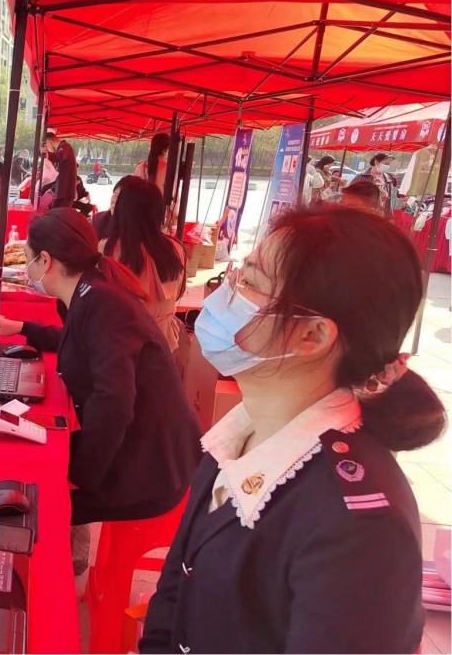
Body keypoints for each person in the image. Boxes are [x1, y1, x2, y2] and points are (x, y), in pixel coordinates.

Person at [142, 206, 445, 654]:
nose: (224, 297)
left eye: (250, 284)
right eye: (237, 275)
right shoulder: (239, 434)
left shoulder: (359, 528)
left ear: (313, 336)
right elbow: (175, 591)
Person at [0, 209, 201, 526]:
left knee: (33, 505)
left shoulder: (104, 303)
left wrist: (82, 475)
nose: (27, 269)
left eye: (28, 259)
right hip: (132, 444)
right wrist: (21, 327)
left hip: (150, 468)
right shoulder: (93, 291)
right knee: (23, 456)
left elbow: (113, 402)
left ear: (45, 260)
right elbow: (81, 341)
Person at [101, 176, 186, 350]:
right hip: (164, 339)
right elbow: (179, 293)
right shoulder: (177, 248)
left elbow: (97, 299)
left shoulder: (107, 248)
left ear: (122, 211)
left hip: (120, 339)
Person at [43, 131, 78, 209]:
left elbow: (59, 156)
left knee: (58, 214)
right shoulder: (64, 148)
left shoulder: (65, 148)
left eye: (47, 146)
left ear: (49, 142)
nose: (48, 148)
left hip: (65, 192)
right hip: (63, 191)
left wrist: (48, 154)